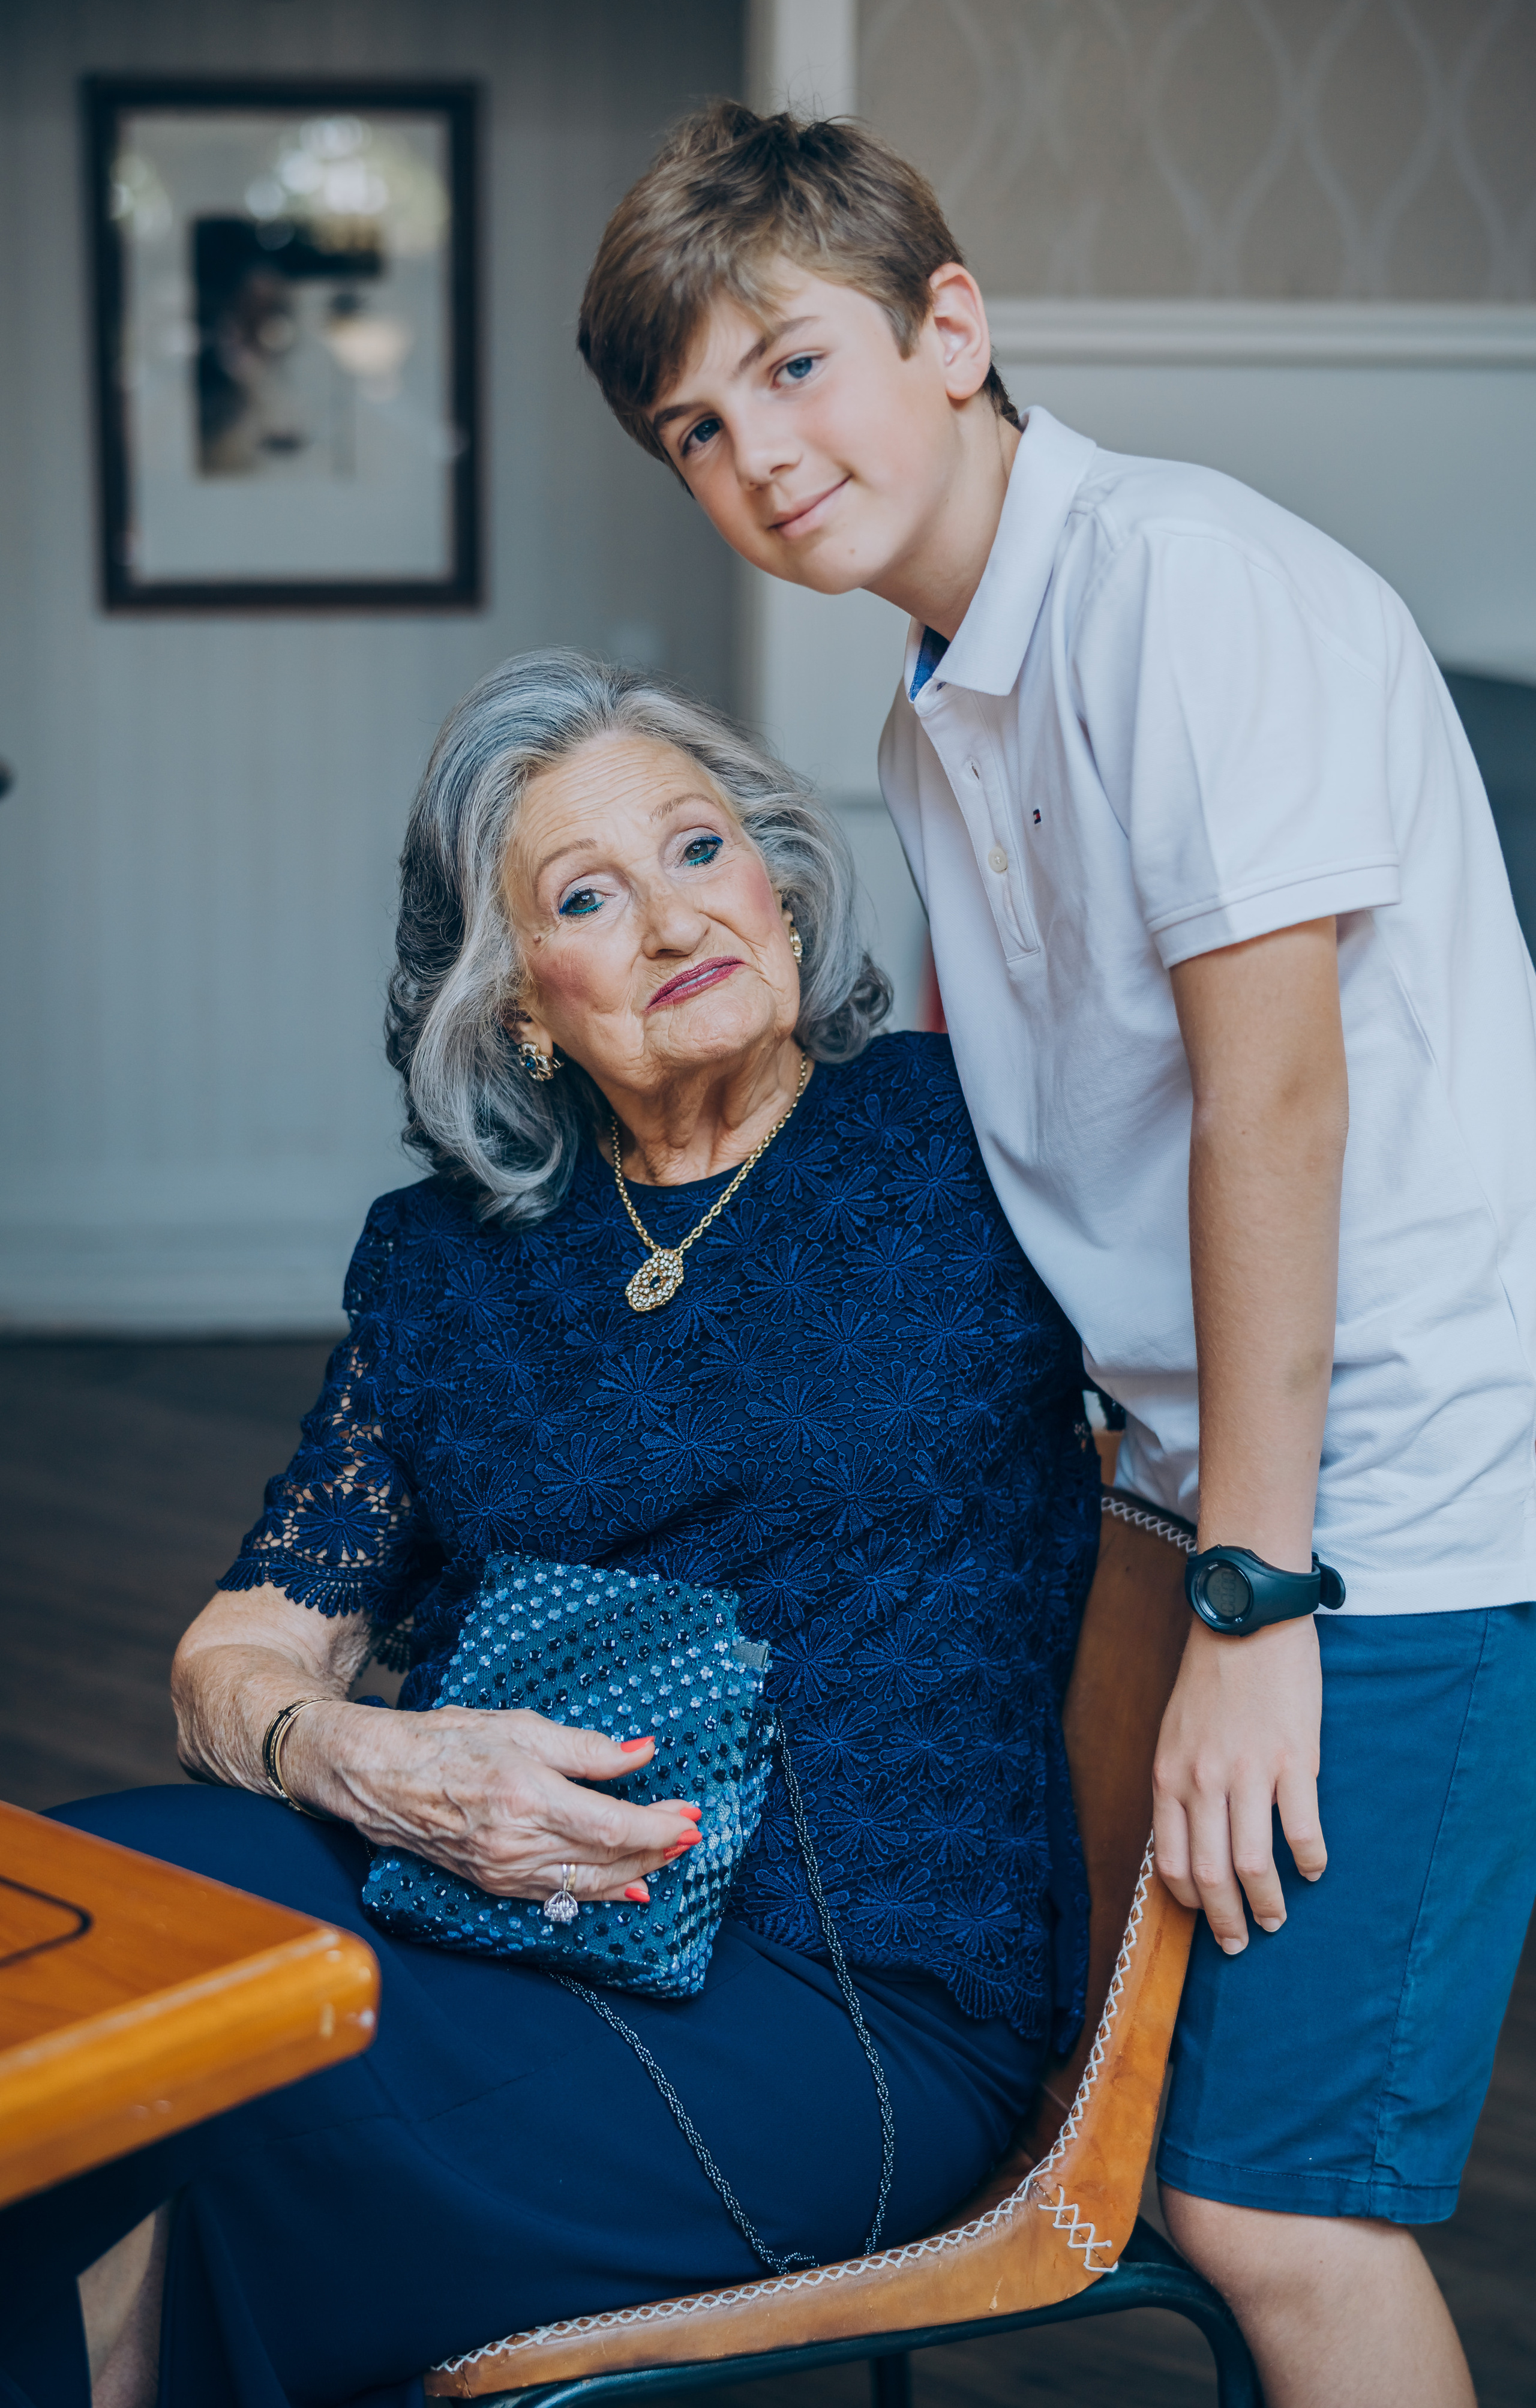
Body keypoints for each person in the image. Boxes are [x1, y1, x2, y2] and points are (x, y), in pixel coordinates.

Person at [575, 103, 1536, 2408]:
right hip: (1215, 1492)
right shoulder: (933, 703)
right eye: (696, 429)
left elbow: (1272, 1104)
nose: (757, 455)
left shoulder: (1176, 588)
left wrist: (1257, 1601)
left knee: (1285, 2210)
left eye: (792, 366)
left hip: (1393, 1507)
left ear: (951, 327)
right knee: (1199, 2169)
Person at [0, 653, 1100, 2408]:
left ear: (779, 880)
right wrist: (361, 1758)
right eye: (589, 895)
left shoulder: (970, 1146)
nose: (673, 919)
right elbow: (247, 1643)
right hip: (469, 1891)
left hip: (843, 2001)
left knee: (229, 2109)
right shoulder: (448, 1261)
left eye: (701, 849)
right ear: (516, 998)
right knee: (69, 1964)